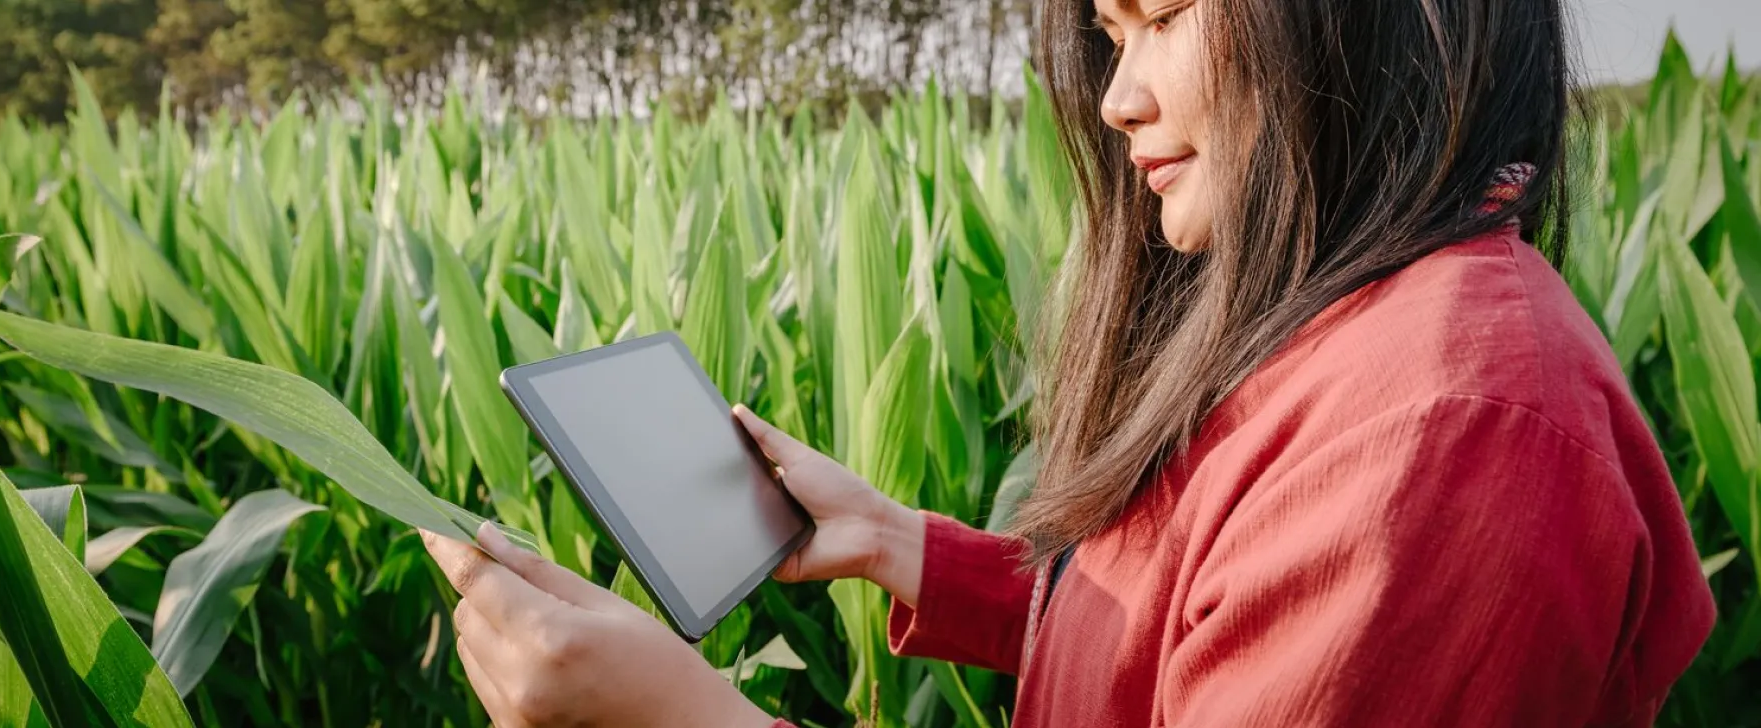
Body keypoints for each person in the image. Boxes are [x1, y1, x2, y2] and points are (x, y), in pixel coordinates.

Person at [418, 0, 1719, 723]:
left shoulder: (1445, 433)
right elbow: (1194, 618)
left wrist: (683, 722)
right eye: (1109, 33)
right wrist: (900, 542)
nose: (1115, 98)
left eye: (1158, 18)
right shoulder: (1351, 331)